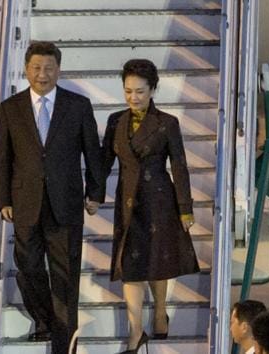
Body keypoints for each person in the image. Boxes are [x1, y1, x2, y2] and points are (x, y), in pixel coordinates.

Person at [0, 41, 104, 354]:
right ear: (26, 69)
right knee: (28, 267)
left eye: (49, 68)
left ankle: (63, 342)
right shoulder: (11, 107)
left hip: (66, 204)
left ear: (58, 70)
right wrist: (3, 199)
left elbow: (92, 154)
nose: (43, 74)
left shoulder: (77, 106)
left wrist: (95, 192)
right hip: (25, 202)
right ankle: (43, 319)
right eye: (36, 68)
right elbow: (3, 157)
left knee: (65, 275)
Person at [101, 59, 200, 353]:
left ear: (153, 89)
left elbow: (179, 166)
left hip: (159, 200)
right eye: (128, 91)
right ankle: (135, 331)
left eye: (140, 91)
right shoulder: (115, 121)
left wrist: (185, 208)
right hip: (127, 200)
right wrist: (93, 194)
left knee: (157, 261)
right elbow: (104, 160)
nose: (133, 97)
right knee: (128, 265)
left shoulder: (168, 123)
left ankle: (159, 312)